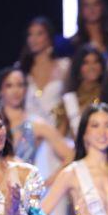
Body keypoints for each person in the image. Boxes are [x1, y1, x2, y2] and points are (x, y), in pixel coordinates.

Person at [20, 16, 73, 192]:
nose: (33, 39)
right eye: (30, 34)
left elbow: (69, 103)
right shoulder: (21, 71)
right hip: (30, 142)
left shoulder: (64, 67)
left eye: (39, 34)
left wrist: (60, 135)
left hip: (58, 140)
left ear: (49, 37)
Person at [0, 66, 72, 171]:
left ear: (25, 89)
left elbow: (70, 155)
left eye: (20, 85)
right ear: (0, 91)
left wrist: (48, 183)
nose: (15, 90)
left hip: (25, 185)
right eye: (9, 86)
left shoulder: (36, 124)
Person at [54, 45, 106, 139]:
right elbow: (59, 136)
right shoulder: (70, 100)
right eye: (86, 63)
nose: (92, 67)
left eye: (96, 62)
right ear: (78, 68)